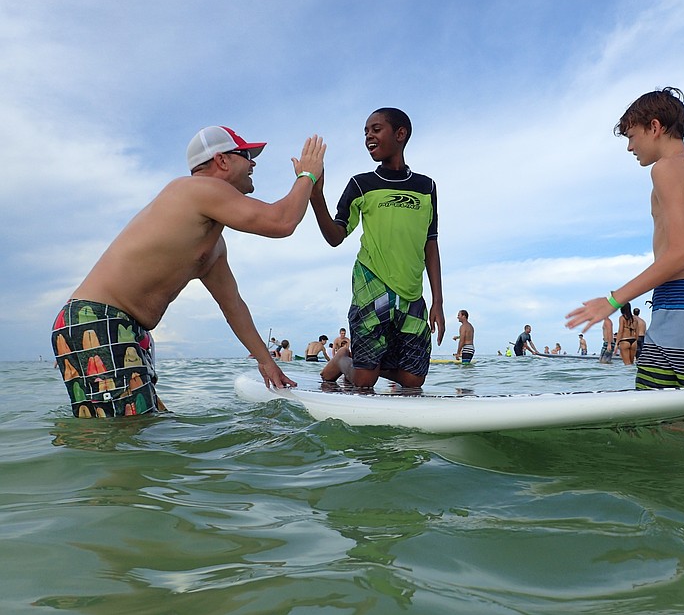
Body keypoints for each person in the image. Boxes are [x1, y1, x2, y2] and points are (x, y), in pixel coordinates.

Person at [50, 126, 326, 418]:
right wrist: (307, 175)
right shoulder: (197, 189)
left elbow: (233, 306)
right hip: (98, 320)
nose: (253, 163)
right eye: (246, 155)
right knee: (124, 436)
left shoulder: (213, 243)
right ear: (222, 161)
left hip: (117, 326)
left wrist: (266, 363)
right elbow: (281, 221)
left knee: (139, 428)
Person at [565, 87, 684, 388]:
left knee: (660, 423)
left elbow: (682, 253)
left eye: (631, 136)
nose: (630, 147)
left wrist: (613, 300)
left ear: (655, 127)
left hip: (679, 302)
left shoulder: (666, 169)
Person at [309, 108, 445, 388]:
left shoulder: (426, 187)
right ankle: (343, 360)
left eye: (376, 129)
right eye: (366, 132)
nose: (369, 136)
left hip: (411, 292)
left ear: (400, 134)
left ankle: (358, 360)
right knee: (364, 381)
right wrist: (315, 196)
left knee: (413, 380)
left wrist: (438, 301)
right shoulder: (361, 184)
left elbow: (431, 243)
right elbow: (336, 236)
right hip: (372, 285)